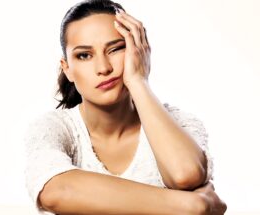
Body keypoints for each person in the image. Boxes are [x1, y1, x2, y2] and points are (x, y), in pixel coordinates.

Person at [24, 0, 227, 214]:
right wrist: (192, 205)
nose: (103, 68)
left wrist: (139, 81)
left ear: (137, 51)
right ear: (67, 69)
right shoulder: (54, 128)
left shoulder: (180, 122)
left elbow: (186, 175)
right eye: (84, 55)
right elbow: (56, 191)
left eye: (115, 49)